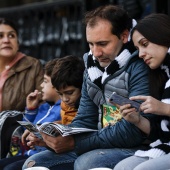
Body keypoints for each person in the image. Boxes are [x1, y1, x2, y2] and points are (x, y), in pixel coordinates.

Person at [22, 5, 151, 170]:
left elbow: (134, 131)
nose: (96, 52)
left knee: (87, 163)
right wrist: (48, 137)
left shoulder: (139, 64)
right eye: (91, 44)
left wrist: (74, 143)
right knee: (34, 162)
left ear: (124, 36)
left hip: (137, 146)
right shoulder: (90, 67)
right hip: (99, 143)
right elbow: (84, 120)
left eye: (102, 43)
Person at [114, 13, 170, 170]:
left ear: (163, 36)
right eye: (138, 48)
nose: (140, 54)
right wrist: (137, 120)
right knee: (122, 168)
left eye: (145, 44)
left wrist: (164, 108)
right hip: (164, 147)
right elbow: (163, 133)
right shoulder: (162, 75)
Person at [0, 58, 61, 170]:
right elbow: (25, 133)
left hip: (43, 156)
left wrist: (38, 138)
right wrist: (31, 109)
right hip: (29, 154)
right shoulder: (44, 107)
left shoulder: (62, 110)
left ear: (58, 86)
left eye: (46, 81)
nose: (41, 85)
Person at [0, 18, 43, 112]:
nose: (6, 40)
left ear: (18, 43)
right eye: (1, 36)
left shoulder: (33, 65)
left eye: (11, 35)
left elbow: (44, 103)